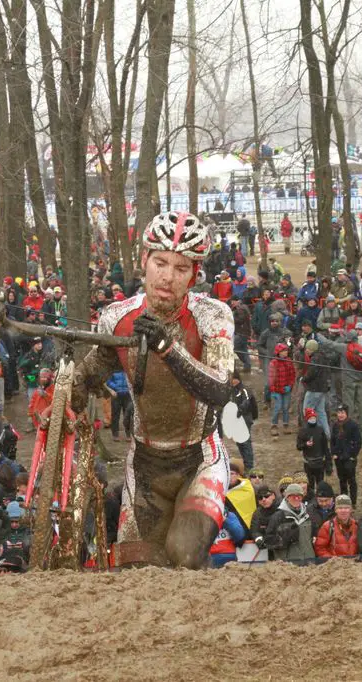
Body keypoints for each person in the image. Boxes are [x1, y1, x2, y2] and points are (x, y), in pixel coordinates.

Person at [69, 212, 235, 569]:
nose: (167, 277)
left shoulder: (213, 315)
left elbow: (220, 388)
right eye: (160, 263)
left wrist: (167, 348)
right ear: (144, 261)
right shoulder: (118, 316)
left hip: (199, 459)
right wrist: (70, 390)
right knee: (137, 569)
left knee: (184, 554)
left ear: (194, 274)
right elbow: (95, 368)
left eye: (180, 268)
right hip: (144, 464)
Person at [264, 484, 318, 564]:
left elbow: (314, 535)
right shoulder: (278, 516)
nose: (296, 498)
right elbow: (268, 541)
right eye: (293, 496)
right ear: (287, 497)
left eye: (299, 496)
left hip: (309, 563)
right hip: (287, 566)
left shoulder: (308, 514)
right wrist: (283, 539)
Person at [330, 405, 362, 504]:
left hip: (349, 458)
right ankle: (344, 500)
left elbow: (358, 442)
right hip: (339, 458)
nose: (340, 415)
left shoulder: (353, 425)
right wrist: (334, 453)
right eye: (339, 412)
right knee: (342, 480)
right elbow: (332, 441)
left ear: (346, 413)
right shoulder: (335, 425)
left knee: (351, 480)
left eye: (342, 412)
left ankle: (353, 501)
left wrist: (353, 455)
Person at [297, 408, 331, 495]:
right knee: (310, 486)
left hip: (320, 462)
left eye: (314, 417)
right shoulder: (302, 431)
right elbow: (298, 446)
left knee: (320, 485)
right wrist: (305, 444)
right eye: (311, 417)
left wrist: (328, 465)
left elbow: (325, 448)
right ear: (307, 419)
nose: (313, 419)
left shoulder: (320, 430)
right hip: (308, 463)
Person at [230, 370, 258, 469]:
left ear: (237, 379)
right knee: (239, 443)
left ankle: (249, 466)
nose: (232, 381)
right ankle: (246, 463)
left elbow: (246, 402)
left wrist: (238, 411)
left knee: (245, 443)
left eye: (233, 379)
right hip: (235, 420)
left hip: (245, 418)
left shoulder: (244, 389)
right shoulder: (230, 391)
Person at [267, 342, 296, 437]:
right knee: (277, 408)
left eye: (286, 351)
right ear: (278, 352)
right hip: (276, 390)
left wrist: (290, 386)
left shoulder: (289, 361)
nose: (286, 352)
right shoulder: (273, 363)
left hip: (286, 390)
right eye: (283, 351)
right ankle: (274, 426)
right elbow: (271, 378)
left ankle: (286, 425)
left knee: (285, 408)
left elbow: (292, 375)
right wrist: (273, 390)